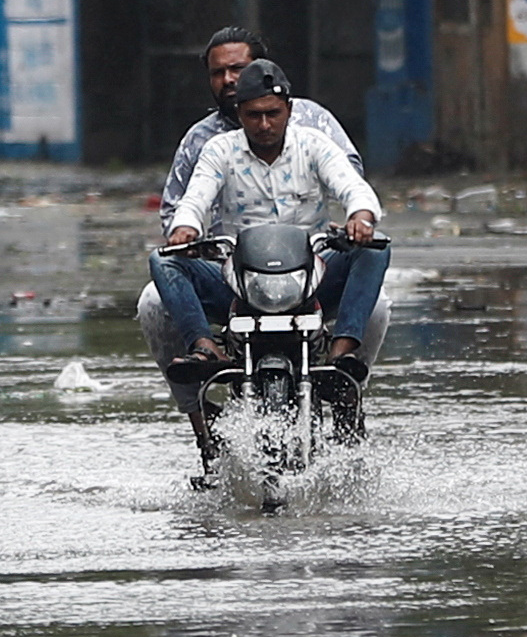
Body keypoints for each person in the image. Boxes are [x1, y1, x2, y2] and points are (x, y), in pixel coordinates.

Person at [151, 60, 388, 415]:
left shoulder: (314, 145)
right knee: (163, 261)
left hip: (310, 278)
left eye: (273, 114)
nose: (264, 125)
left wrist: (360, 217)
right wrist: (186, 228)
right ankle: (203, 347)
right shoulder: (220, 150)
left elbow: (353, 187)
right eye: (253, 115)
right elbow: (195, 198)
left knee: (375, 249)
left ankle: (341, 355)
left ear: (289, 110)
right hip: (239, 282)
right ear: (238, 114)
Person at [160, 26, 358, 221]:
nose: (228, 79)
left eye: (238, 69)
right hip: (230, 248)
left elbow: (351, 175)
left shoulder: (310, 118)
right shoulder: (201, 139)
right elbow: (173, 209)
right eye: (218, 73)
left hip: (307, 242)